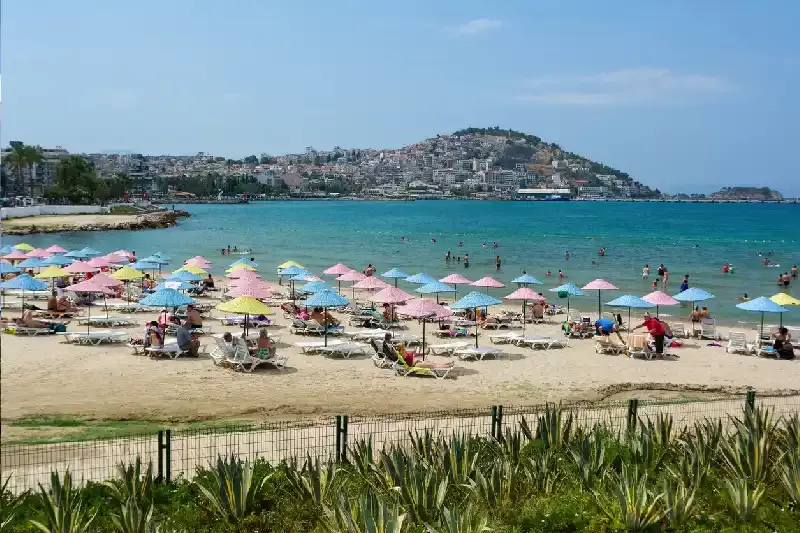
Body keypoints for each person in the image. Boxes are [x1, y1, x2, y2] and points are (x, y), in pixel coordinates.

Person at [382, 333, 453, 370]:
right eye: (403, 347)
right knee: (433, 366)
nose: (404, 347)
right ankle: (447, 366)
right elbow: (401, 352)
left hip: (416, 361)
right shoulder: (401, 355)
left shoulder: (401, 353)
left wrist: (413, 353)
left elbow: (404, 352)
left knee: (432, 363)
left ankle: (447, 364)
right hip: (415, 364)